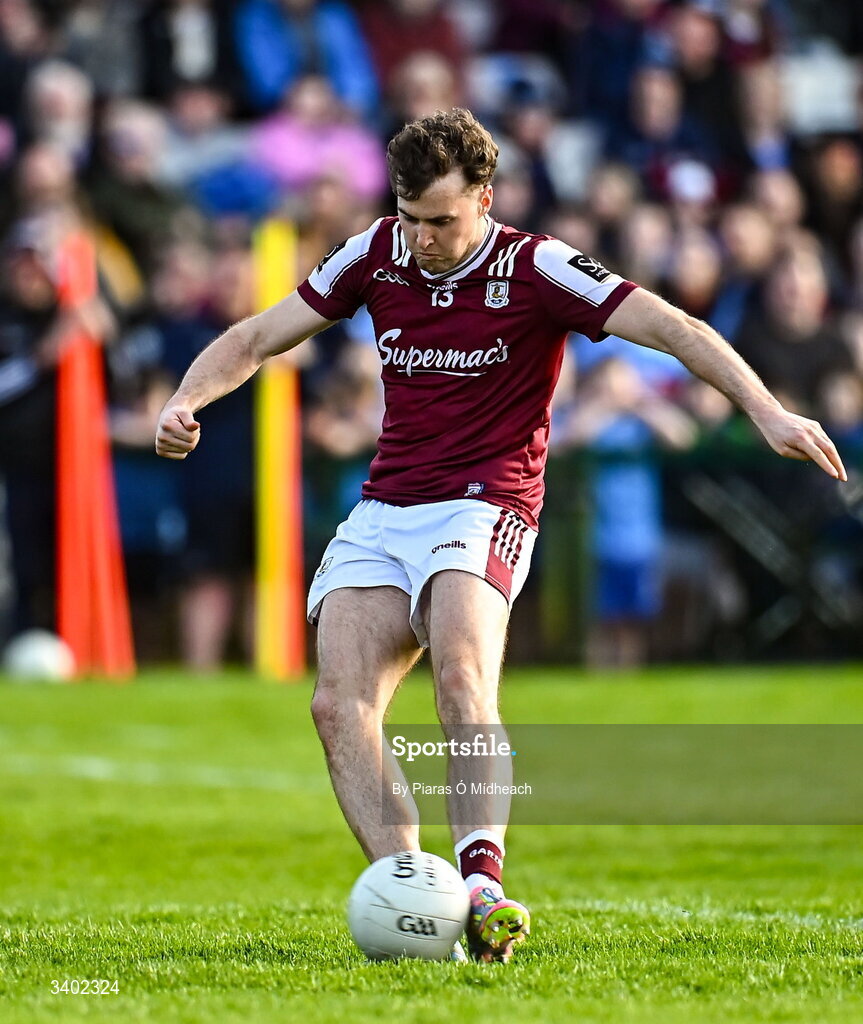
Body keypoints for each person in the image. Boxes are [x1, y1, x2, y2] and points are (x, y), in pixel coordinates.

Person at [155, 108, 847, 962]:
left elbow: (675, 329)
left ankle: (482, 878)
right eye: (411, 218)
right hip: (387, 507)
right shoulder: (375, 252)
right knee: (337, 707)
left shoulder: (538, 266)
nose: (425, 238)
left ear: (485, 197)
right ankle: (420, 902)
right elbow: (257, 336)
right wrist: (187, 398)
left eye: (443, 220)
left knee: (459, 670)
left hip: (486, 504)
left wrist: (765, 408)